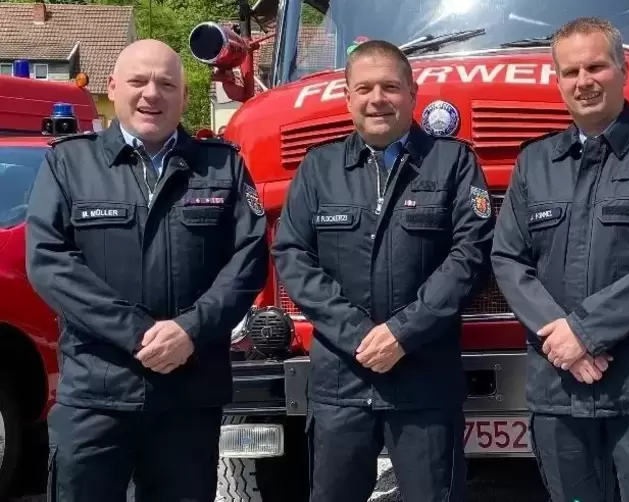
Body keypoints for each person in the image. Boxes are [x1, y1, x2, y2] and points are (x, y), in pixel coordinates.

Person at [25, 39, 269, 502]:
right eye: (138, 81)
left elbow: (249, 258)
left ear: (184, 97)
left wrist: (190, 330)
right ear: (113, 87)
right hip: (97, 393)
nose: (151, 94)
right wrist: (139, 333)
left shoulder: (223, 166)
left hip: (188, 393)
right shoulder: (69, 163)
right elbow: (49, 262)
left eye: (166, 83)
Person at [491, 17, 629, 502]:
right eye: (570, 72)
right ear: (558, 80)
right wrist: (560, 333)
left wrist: (585, 332)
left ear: (623, 69)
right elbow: (507, 258)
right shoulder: (535, 162)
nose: (583, 82)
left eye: (595, 66)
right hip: (561, 389)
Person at [271, 39, 495, 501]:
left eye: (390, 86)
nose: (378, 98)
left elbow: (470, 256)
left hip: (424, 379)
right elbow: (293, 255)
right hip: (341, 381)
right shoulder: (319, 168)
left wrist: (403, 333)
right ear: (348, 96)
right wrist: (357, 334)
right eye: (365, 87)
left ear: (413, 93)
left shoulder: (452, 162)